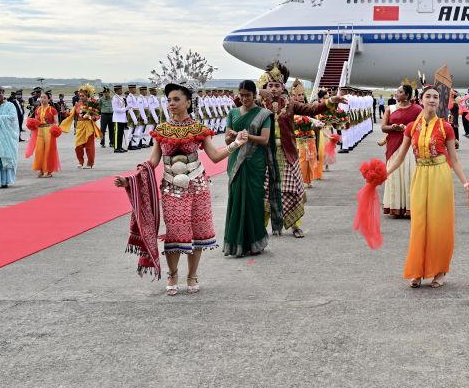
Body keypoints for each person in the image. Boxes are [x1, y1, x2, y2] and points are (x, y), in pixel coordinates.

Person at [116, 82, 248, 294]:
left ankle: (192, 275)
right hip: (171, 188)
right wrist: (130, 179)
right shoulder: (161, 129)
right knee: (175, 231)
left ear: (188, 102)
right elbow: (153, 161)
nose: (171, 103)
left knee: (198, 232)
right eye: (169, 100)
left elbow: (215, 157)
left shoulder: (198, 128)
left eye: (176, 99)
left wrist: (236, 143)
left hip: (198, 186)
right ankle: (173, 274)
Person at [385, 84, 469, 288]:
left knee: (439, 224)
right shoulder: (411, 127)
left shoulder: (445, 127)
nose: (432, 100)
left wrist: (465, 182)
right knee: (419, 223)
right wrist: (383, 174)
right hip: (420, 174)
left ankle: (439, 271)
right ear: (421, 100)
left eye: (435, 97)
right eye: (428, 96)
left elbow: (454, 160)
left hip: (440, 175)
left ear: (439, 102)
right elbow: (399, 157)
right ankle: (417, 270)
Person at [259, 62, 344, 238]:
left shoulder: (290, 104)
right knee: (265, 191)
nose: (273, 89)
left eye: (277, 85)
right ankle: (260, 228)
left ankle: (295, 226)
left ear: (283, 87)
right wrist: (259, 92)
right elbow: (239, 101)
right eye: (270, 85)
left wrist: (330, 101)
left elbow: (311, 109)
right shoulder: (259, 104)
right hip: (265, 154)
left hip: (287, 153)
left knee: (293, 190)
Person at [223, 80, 280, 257]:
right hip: (236, 161)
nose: (244, 99)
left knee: (254, 200)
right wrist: (233, 137)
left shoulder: (264, 114)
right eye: (241, 95)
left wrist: (247, 137)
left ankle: (255, 243)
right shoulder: (233, 113)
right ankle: (236, 244)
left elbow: (265, 139)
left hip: (255, 162)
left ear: (255, 95)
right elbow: (227, 139)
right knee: (236, 199)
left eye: (248, 95)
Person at [381, 82, 422, 218]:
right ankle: (395, 207)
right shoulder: (390, 108)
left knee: (409, 174)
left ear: (407, 95)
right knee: (394, 175)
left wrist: (406, 128)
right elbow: (383, 127)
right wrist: (393, 127)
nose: (396, 94)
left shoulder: (417, 109)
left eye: (400, 92)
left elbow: (421, 127)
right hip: (393, 145)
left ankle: (411, 207)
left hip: (409, 146)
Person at [59, 84, 101, 169]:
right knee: (78, 146)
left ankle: (90, 163)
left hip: (89, 127)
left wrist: (93, 117)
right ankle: (80, 162)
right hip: (79, 127)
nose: (81, 97)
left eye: (83, 96)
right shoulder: (77, 105)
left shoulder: (92, 104)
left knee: (89, 146)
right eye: (80, 96)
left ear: (87, 96)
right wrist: (64, 112)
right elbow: (70, 115)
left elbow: (97, 115)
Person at [27, 91, 61, 178]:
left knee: (48, 151)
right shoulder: (37, 109)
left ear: (49, 99)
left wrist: (54, 128)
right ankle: (41, 170)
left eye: (44, 97)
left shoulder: (52, 110)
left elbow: (56, 122)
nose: (42, 99)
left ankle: (48, 171)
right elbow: (35, 121)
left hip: (49, 130)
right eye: (41, 97)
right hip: (40, 131)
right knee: (39, 150)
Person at [111, 84, 129, 153]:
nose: (121, 91)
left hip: (121, 119)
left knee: (121, 134)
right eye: (120, 90)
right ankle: (116, 148)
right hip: (117, 119)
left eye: (121, 89)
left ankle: (120, 147)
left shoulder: (120, 98)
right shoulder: (115, 99)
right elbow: (115, 109)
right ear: (116, 91)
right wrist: (125, 109)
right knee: (117, 134)